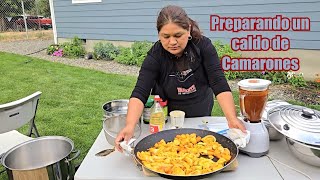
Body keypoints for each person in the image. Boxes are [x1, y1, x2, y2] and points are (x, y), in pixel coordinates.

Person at [115, 5, 246, 152]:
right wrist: (129, 126)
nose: (172, 42)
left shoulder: (203, 46)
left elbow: (218, 83)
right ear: (159, 34)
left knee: (199, 148)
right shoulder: (155, 55)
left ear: (188, 29)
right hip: (168, 115)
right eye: (166, 36)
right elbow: (140, 92)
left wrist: (232, 119)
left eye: (178, 35)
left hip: (200, 107)